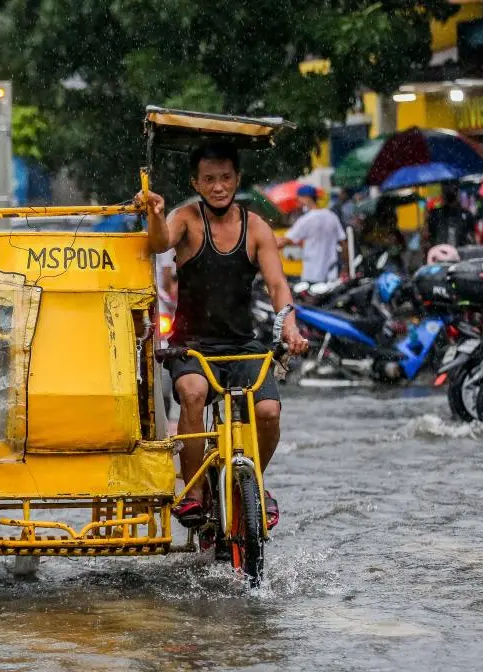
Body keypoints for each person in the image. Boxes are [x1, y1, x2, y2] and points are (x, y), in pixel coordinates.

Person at [134, 143, 309, 528]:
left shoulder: (256, 227)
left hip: (242, 346)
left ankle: (256, 483)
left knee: (268, 412)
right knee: (193, 394)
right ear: (195, 182)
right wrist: (155, 213)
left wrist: (290, 325)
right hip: (191, 345)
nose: (218, 187)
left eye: (226, 178)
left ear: (237, 180)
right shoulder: (185, 220)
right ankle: (195, 491)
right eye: (209, 179)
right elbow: (159, 243)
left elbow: (278, 285)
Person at [276, 185, 347, 283]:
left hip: (312, 274)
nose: (298, 203)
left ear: (306, 198)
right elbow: (343, 243)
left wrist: (265, 248)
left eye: (299, 199)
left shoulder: (306, 220)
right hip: (331, 274)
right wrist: (345, 267)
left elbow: (286, 241)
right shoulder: (331, 216)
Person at [425, 182, 476, 251]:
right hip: (457, 255)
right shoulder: (466, 214)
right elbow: (471, 237)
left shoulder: (434, 214)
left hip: (442, 254)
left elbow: (428, 238)